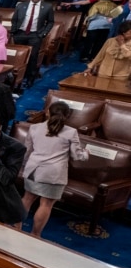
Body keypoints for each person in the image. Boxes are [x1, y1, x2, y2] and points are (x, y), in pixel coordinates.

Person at [20, 102, 88, 237]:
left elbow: (27, 151)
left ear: (47, 112)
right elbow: (77, 156)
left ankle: (16, 227)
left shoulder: (34, 128)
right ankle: (35, 234)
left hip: (33, 169)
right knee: (46, 204)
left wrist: (24, 166)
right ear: (68, 116)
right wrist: (86, 152)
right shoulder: (71, 132)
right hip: (53, 174)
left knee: (27, 198)